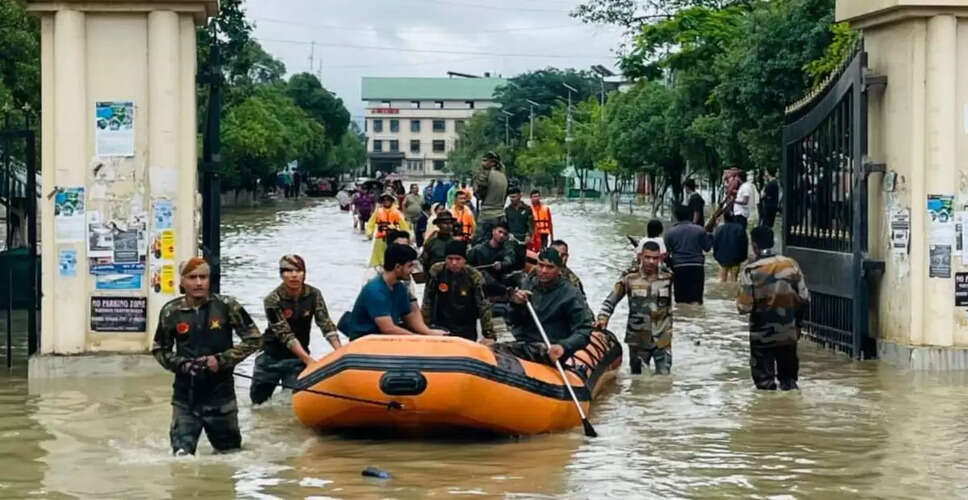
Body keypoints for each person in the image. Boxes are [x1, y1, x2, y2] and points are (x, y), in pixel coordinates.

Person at [151, 257, 261, 456]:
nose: (199, 282)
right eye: (192, 277)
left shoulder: (227, 306)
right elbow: (159, 349)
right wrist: (181, 364)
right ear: (182, 281)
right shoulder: (171, 311)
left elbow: (254, 339)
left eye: (203, 277)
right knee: (181, 459)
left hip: (221, 397)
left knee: (230, 457)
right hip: (186, 399)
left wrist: (221, 360)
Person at [251, 255, 341, 405]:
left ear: (304, 273)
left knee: (293, 404)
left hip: (297, 360)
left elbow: (325, 324)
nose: (294, 275)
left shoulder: (314, 294)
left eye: (298, 270)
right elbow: (285, 334)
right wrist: (310, 361)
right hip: (270, 358)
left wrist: (339, 352)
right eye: (288, 271)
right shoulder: (272, 300)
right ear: (281, 275)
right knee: (258, 404)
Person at [737, 226, 810, 390]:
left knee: (764, 386)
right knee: (789, 384)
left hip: (761, 336)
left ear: (754, 245)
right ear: (773, 242)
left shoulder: (751, 270)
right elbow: (805, 297)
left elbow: (744, 307)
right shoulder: (791, 264)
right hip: (788, 333)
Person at [491, 248, 591, 365]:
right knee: (490, 349)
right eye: (540, 265)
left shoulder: (571, 294)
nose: (543, 271)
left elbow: (584, 330)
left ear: (559, 269)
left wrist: (563, 346)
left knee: (538, 349)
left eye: (550, 267)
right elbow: (513, 320)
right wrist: (516, 304)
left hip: (550, 347)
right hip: (524, 343)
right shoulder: (528, 284)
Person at [339, 244, 448, 340]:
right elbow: (387, 328)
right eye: (410, 266)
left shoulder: (400, 288)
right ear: (398, 267)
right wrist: (417, 339)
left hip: (385, 338)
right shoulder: (375, 291)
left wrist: (429, 333)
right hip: (366, 340)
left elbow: (410, 317)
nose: (412, 271)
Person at [596, 241, 674, 374]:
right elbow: (611, 300)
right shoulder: (629, 277)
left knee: (664, 380)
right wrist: (603, 318)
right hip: (638, 339)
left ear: (660, 258)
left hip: (662, 338)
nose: (651, 261)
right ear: (640, 257)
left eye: (655, 258)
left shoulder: (668, 276)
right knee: (638, 381)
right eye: (647, 257)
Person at [422, 240, 496, 343]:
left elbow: (483, 305)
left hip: (466, 325)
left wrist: (489, 334)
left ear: (464, 260)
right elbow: (427, 300)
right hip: (441, 324)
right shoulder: (437, 271)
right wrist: (424, 328)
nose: (453, 263)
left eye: (458, 259)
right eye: (450, 259)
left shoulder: (474, 276)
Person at [664, 204, 712, 304]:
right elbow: (707, 248)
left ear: (676, 216)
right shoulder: (700, 230)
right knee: (696, 300)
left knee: (680, 300)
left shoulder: (670, 232)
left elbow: (666, 254)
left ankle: (683, 318)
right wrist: (710, 235)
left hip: (678, 267)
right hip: (697, 267)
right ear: (690, 215)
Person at [471, 151, 509, 245]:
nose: (482, 163)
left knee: (479, 243)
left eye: (485, 160)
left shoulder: (485, 175)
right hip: (501, 215)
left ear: (492, 163)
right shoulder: (503, 176)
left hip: (487, 215)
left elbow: (478, 193)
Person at [468, 222, 516, 295]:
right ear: (493, 231)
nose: (501, 235)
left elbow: (509, 260)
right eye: (500, 232)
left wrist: (502, 265)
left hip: (498, 281)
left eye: (505, 234)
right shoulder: (478, 249)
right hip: (479, 282)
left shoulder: (507, 250)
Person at [366, 193, 410, 267]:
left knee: (393, 256)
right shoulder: (378, 212)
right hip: (380, 239)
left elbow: (404, 226)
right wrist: (369, 232)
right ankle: (377, 267)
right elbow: (370, 223)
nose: (386, 201)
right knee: (378, 258)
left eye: (388, 200)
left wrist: (407, 236)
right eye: (384, 200)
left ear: (391, 201)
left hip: (393, 238)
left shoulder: (397, 213)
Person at [712, 214, 749, 283]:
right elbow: (744, 244)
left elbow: (715, 244)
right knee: (734, 279)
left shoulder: (719, 229)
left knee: (723, 279)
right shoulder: (740, 228)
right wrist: (743, 258)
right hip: (736, 259)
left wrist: (716, 256)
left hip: (722, 259)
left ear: (724, 219)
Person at [505, 186, 534, 270]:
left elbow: (531, 225)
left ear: (520, 196)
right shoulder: (507, 210)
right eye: (510, 197)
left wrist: (529, 235)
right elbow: (505, 225)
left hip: (522, 239)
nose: (512, 199)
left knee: (521, 259)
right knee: (511, 258)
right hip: (511, 239)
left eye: (514, 197)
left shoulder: (527, 209)